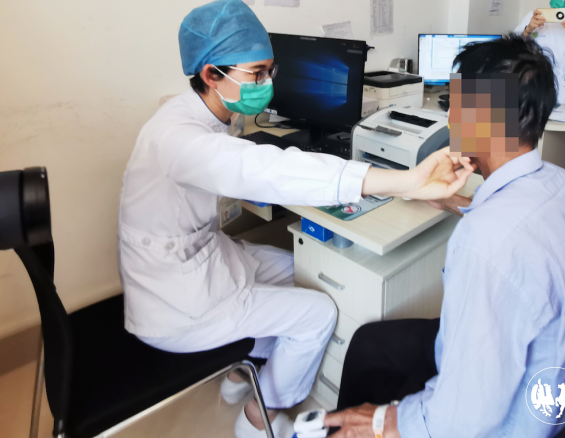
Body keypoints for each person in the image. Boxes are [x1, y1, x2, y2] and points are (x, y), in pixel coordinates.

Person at [117, 1, 475, 438]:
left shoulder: (200, 112)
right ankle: (258, 415)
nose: (268, 83)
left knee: (303, 271)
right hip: (175, 300)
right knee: (317, 312)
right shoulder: (178, 138)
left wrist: (401, 185)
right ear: (211, 74)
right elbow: (268, 170)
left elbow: (251, 167)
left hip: (202, 258)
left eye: (271, 70)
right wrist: (407, 181)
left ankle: (241, 374)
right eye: (257, 73)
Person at [324, 35, 565, 438]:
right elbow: (522, 226)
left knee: (371, 401)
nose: (450, 116)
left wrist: (382, 421)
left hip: (520, 421)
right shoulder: (560, 182)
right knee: (371, 342)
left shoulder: (483, 241)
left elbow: (466, 417)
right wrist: (456, 202)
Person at [515, 0, 565, 104]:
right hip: (534, 84)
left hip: (564, 92)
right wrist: (528, 29)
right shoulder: (534, 17)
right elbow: (514, 49)